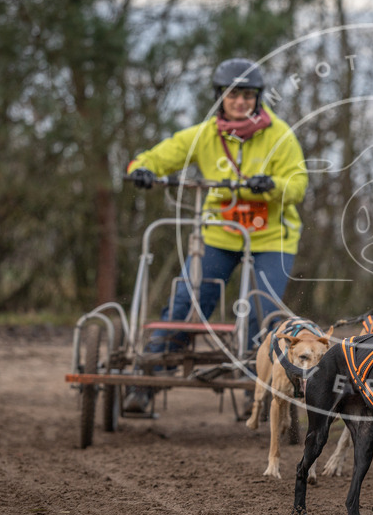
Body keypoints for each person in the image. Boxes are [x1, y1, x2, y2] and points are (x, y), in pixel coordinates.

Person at [122, 58, 308, 414]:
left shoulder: (280, 135)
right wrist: (141, 169)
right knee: (186, 303)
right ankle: (145, 382)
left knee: (263, 315)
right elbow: (157, 157)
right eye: (233, 94)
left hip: (271, 238)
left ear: (258, 97)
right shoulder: (204, 135)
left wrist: (271, 186)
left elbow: (297, 186)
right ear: (220, 96)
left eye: (248, 95)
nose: (240, 101)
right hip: (220, 235)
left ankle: (255, 390)